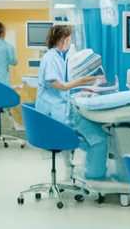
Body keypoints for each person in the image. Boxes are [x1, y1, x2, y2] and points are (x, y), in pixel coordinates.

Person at [34, 24, 109, 179]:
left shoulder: (56, 56)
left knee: (90, 138)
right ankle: (95, 178)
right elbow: (60, 85)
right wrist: (83, 80)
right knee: (99, 139)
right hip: (57, 118)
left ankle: (85, 172)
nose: (70, 42)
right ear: (63, 39)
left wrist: (86, 82)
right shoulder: (52, 57)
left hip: (57, 114)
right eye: (69, 39)